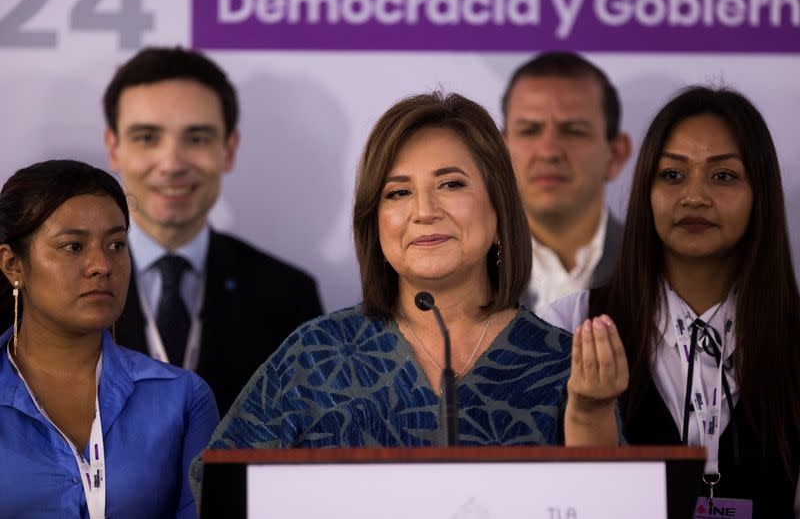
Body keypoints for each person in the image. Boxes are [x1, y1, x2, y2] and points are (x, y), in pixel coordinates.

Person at [192, 91, 626, 476]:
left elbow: (615, 504)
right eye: (398, 192)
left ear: (499, 213)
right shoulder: (316, 356)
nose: (424, 210)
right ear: (374, 224)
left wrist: (591, 413)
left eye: (451, 184)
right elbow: (220, 487)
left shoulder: (559, 364)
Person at [540, 87, 800, 516]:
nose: (693, 196)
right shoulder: (567, 327)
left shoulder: (792, 337)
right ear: (646, 190)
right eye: (673, 175)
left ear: (761, 195)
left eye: (723, 176)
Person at [102, 46, 324, 414]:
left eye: (197, 138)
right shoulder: (55, 289)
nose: (172, 164)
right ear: (114, 147)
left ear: (229, 148)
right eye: (146, 137)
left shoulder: (288, 296)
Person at [0, 160, 219, 518]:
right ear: (14, 265)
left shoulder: (182, 397)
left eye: (116, 244)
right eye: (73, 246)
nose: (102, 264)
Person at [501, 51, 632, 314]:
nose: (549, 151)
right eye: (529, 131)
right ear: (499, 153)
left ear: (615, 155)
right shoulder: (465, 276)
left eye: (573, 131)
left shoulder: (662, 271)